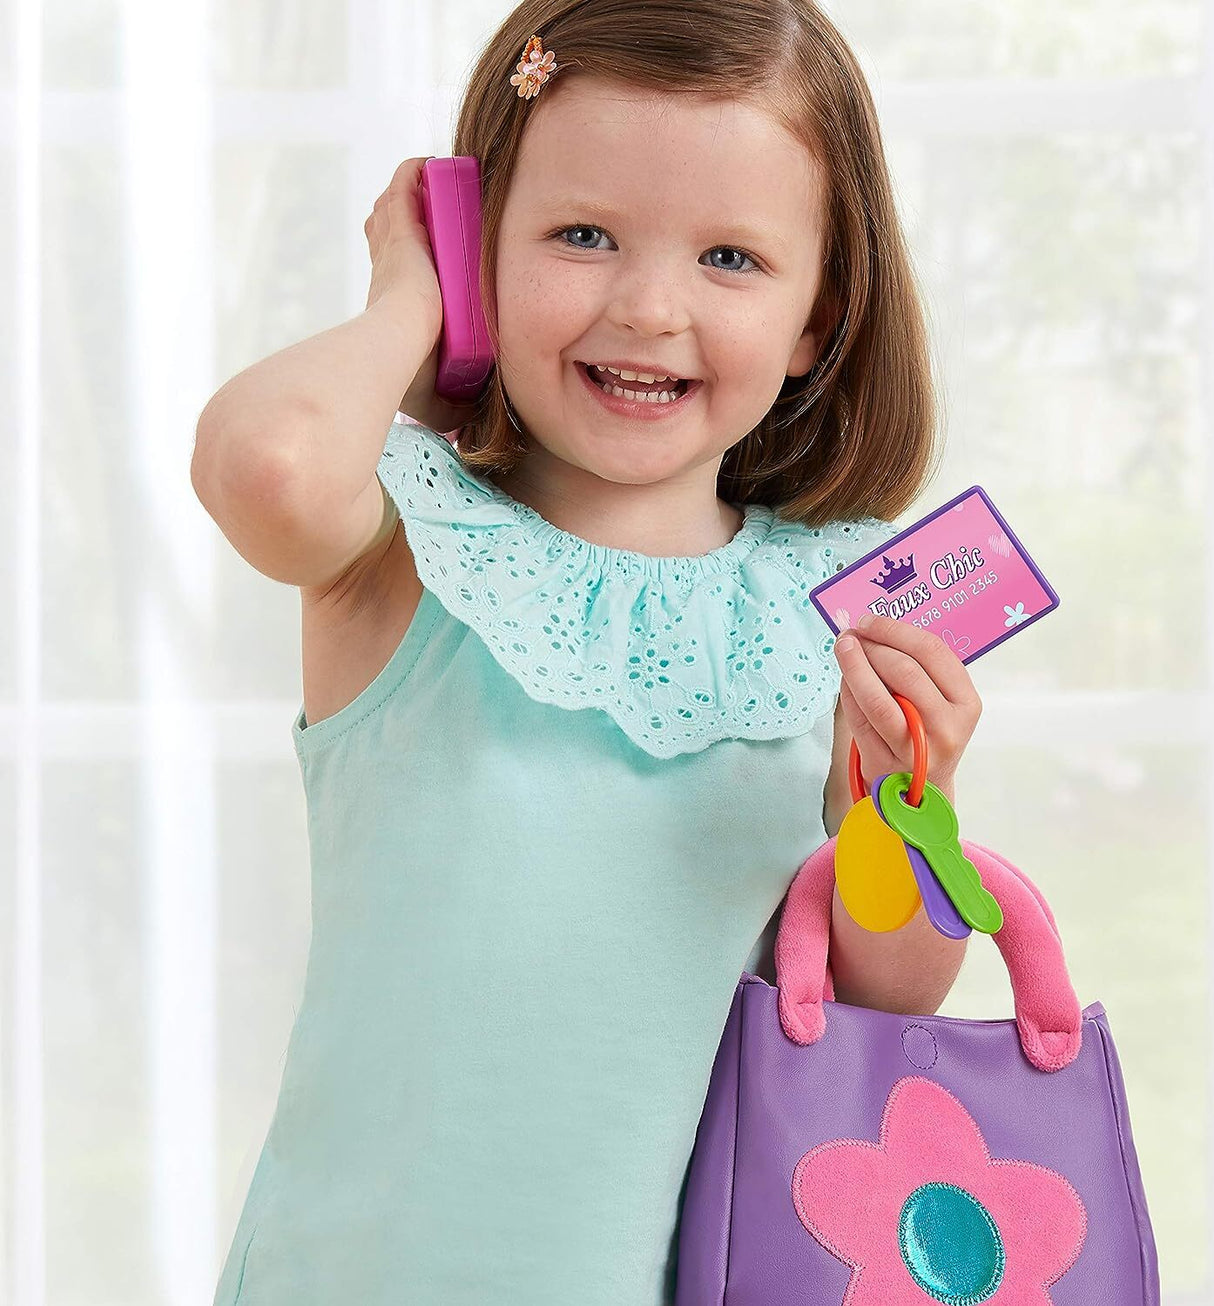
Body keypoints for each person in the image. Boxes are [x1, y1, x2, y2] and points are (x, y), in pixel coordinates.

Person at [191, 2, 984, 1302]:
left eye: (729, 257)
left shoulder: (836, 606)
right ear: (477, 251)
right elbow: (268, 464)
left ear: (817, 317)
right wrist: (410, 299)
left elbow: (886, 996)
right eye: (581, 235)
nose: (649, 306)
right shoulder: (404, 542)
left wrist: (903, 803)